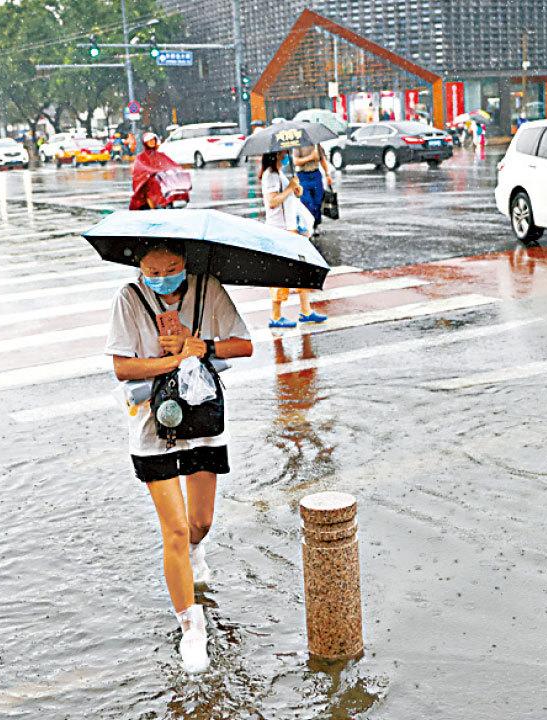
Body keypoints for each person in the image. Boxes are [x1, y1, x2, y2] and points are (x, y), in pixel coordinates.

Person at [105, 240, 254, 673]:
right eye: (151, 271)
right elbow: (121, 367)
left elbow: (243, 345)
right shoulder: (129, 298)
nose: (161, 277)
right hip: (152, 426)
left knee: (200, 523)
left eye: (170, 268)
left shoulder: (208, 288)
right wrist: (169, 362)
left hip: (202, 419)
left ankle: (195, 553)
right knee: (173, 529)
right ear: (139, 268)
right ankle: (191, 628)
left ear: (185, 263)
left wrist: (199, 346)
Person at [260, 150, 327, 329]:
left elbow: (288, 198)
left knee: (302, 269)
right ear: (275, 154)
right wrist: (290, 188)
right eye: (283, 152)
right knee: (280, 274)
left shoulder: (280, 173)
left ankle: (306, 310)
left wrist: (296, 190)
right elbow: (272, 202)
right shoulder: (270, 176)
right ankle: (276, 316)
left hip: (291, 229)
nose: (286, 153)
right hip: (279, 231)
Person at [129, 132, 181, 210]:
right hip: (147, 181)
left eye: (153, 140)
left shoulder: (160, 155)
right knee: (153, 185)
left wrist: (176, 168)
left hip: (161, 177)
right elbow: (140, 169)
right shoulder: (141, 157)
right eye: (150, 141)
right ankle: (158, 204)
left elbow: (169, 163)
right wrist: (151, 172)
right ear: (145, 143)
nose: (152, 142)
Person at [292, 143, 333, 229]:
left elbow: (322, 160)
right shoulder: (298, 144)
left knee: (318, 201)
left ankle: (316, 224)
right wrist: (311, 157)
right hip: (303, 176)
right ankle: (310, 224)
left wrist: (327, 174)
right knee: (308, 202)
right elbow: (296, 161)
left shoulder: (316, 144)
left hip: (316, 174)